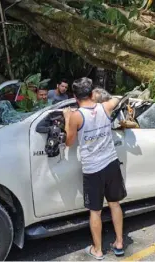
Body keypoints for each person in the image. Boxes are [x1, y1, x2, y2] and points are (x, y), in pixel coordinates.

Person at [63, 77, 126, 260]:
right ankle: (119, 243)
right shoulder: (105, 107)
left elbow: (69, 142)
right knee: (115, 204)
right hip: (111, 163)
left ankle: (97, 250)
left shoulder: (76, 116)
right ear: (92, 94)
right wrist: (100, 98)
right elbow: (117, 98)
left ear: (75, 97)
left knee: (95, 211)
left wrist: (67, 119)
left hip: (93, 169)